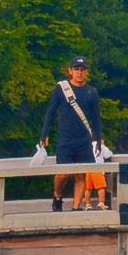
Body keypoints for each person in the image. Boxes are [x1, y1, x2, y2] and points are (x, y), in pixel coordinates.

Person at [42, 56, 100, 213]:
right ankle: (57, 195)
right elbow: (51, 112)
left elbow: (96, 119)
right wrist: (44, 134)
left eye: (82, 70)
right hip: (65, 139)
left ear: (87, 72)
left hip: (84, 140)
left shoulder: (91, 92)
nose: (79, 73)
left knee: (81, 175)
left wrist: (98, 141)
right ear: (70, 71)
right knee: (63, 174)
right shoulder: (61, 89)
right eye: (76, 70)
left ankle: (76, 208)